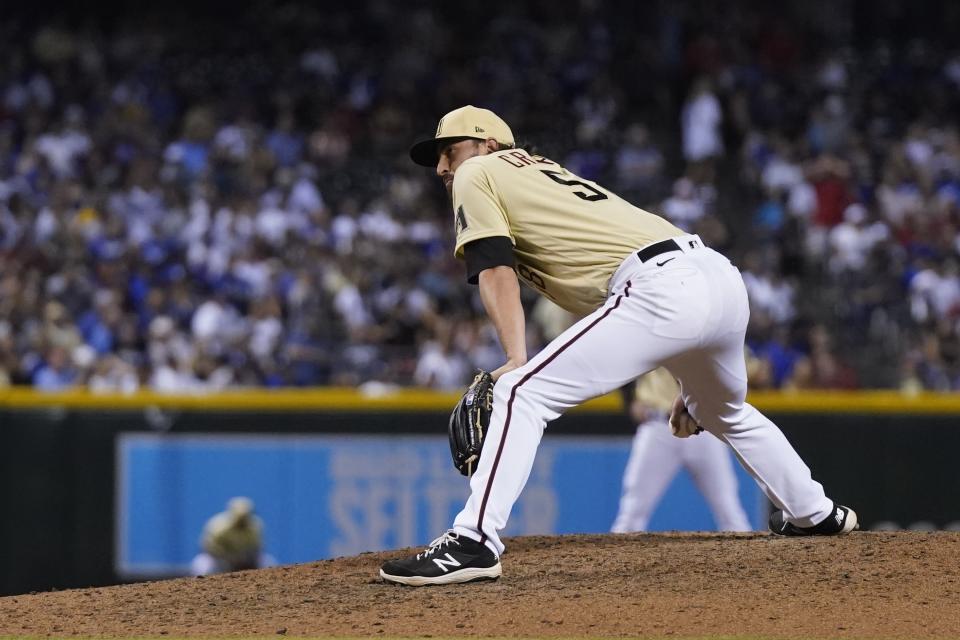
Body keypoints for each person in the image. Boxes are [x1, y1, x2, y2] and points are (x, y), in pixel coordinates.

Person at [379, 105, 858, 587]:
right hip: (716, 277)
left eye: (450, 150)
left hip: (660, 284)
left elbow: (495, 270)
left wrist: (515, 359)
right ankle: (814, 512)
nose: (442, 167)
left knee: (520, 392)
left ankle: (474, 540)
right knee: (723, 410)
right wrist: (690, 370)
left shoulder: (478, 171)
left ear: (489, 145)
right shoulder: (541, 173)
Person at [611, 367, 752, 533]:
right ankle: (619, 559)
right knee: (631, 513)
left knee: (730, 511)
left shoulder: (710, 340)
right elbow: (626, 357)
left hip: (704, 426)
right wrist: (629, 400)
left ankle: (748, 559)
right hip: (659, 424)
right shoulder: (649, 340)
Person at [190, 497, 277, 576]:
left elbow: (258, 549)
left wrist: (244, 559)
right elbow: (207, 548)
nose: (242, 518)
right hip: (221, 561)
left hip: (246, 562)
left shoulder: (256, 526)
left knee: (268, 562)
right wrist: (227, 558)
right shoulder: (218, 526)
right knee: (202, 565)